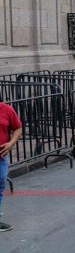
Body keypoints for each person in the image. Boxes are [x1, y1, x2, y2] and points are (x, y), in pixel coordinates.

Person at [0, 95, 21, 233]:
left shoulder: (6, 109)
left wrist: (11, 143)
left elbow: (18, 128)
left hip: (1, 156)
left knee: (0, 186)